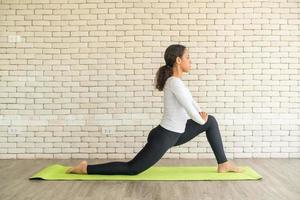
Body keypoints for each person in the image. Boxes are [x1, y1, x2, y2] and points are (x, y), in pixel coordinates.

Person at [66, 44, 242, 175]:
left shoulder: (178, 83)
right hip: (164, 136)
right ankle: (85, 168)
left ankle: (223, 163)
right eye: (188, 57)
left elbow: (193, 103)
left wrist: (203, 117)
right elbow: (190, 110)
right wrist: (200, 119)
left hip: (177, 133)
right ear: (178, 60)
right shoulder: (174, 82)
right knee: (132, 169)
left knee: (211, 121)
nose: (191, 60)